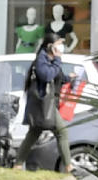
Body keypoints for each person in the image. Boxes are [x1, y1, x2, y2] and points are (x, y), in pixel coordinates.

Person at [22, 35, 69, 169]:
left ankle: (18, 164)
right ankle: (68, 166)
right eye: (58, 44)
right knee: (62, 132)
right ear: (50, 46)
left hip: (49, 102)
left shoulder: (52, 60)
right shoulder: (42, 60)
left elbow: (57, 76)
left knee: (33, 134)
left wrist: (68, 78)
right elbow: (47, 75)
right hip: (45, 103)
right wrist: (58, 59)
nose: (61, 48)